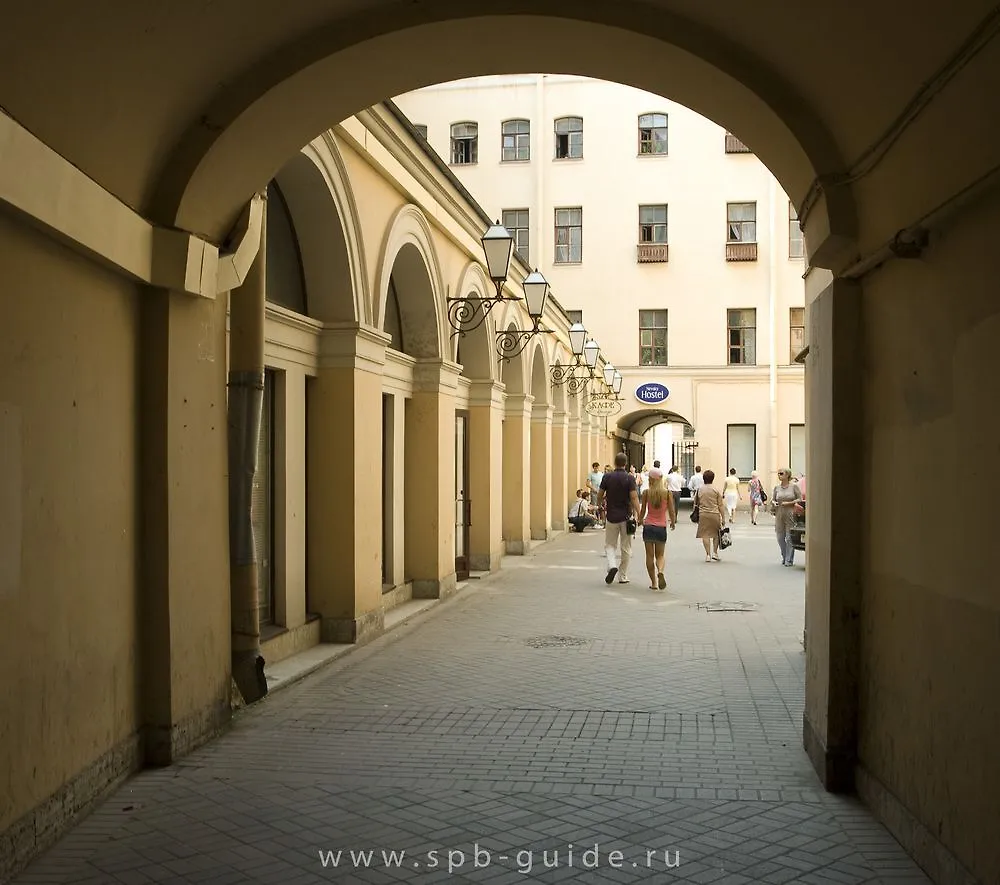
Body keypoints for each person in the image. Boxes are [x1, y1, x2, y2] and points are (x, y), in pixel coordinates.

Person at [597, 452, 640, 584]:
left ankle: (612, 565)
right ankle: (623, 576)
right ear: (625, 464)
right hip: (626, 517)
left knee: (610, 545)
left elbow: (600, 494)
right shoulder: (629, 478)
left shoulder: (607, 477)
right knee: (626, 547)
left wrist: (599, 505)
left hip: (611, 516)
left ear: (615, 463)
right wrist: (639, 513)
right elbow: (633, 497)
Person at [638, 467, 676, 590]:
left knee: (649, 556)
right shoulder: (667, 493)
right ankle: (660, 571)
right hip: (661, 527)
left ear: (651, 480)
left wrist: (639, 520)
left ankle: (654, 583)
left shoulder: (646, 493)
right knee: (660, 555)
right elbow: (671, 510)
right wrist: (673, 522)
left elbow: (643, 510)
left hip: (648, 526)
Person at [771, 468, 804, 566]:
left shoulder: (794, 487)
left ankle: (789, 560)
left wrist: (789, 503)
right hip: (779, 513)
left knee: (789, 537)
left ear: (787, 475)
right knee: (780, 537)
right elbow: (772, 499)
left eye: (781, 473)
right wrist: (774, 503)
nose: (779, 475)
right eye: (778, 473)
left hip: (790, 512)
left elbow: (800, 499)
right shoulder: (777, 488)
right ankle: (784, 555)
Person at [694, 469, 725, 562]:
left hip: (703, 514)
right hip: (715, 514)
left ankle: (708, 554)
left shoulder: (699, 490)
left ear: (704, 479)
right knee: (716, 534)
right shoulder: (716, 490)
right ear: (713, 479)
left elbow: (696, 503)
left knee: (705, 534)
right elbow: (720, 505)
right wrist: (723, 518)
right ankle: (715, 553)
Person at [587, 462, 605, 526]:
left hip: (601, 492)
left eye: (597, 467)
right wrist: (593, 488)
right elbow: (587, 484)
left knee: (601, 506)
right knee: (594, 506)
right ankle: (594, 521)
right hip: (594, 492)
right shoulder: (590, 474)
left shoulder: (601, 474)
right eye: (595, 468)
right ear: (593, 468)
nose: (596, 469)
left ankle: (602, 520)